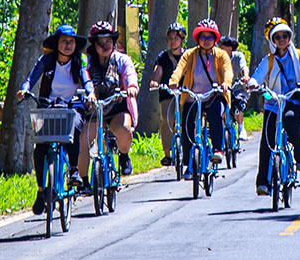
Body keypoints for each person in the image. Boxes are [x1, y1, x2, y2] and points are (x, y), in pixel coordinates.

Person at [15, 24, 95, 215]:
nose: (68, 45)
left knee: (74, 129)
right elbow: (31, 78)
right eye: (64, 41)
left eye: (72, 42)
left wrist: (90, 94)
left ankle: (74, 170)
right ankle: (42, 191)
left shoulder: (80, 61)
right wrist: (24, 90)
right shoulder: (46, 60)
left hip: (72, 107)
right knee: (40, 147)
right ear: (57, 43)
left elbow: (87, 80)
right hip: (48, 107)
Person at [245, 17, 300, 196]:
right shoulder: (269, 60)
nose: (282, 39)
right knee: (267, 141)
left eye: (285, 35)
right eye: (277, 37)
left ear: (290, 36)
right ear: (272, 41)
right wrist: (253, 84)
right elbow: (257, 76)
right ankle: (263, 183)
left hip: (296, 101)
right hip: (274, 104)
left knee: (291, 120)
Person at [168, 18, 232, 177]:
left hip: (213, 96)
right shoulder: (190, 54)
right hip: (193, 98)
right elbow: (179, 69)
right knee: (187, 126)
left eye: (209, 37)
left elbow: (227, 71)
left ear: (215, 39)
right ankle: (189, 164)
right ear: (198, 39)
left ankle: (218, 150)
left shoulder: (221, 55)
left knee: (216, 116)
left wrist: (226, 83)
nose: (206, 41)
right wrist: (174, 82)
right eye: (203, 37)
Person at [81, 21, 140, 180]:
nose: (105, 45)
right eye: (100, 42)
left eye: (108, 41)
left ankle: (123, 155)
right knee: (84, 139)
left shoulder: (122, 60)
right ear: (94, 44)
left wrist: (132, 87)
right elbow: (81, 80)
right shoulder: (86, 62)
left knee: (124, 130)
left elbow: (130, 75)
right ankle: (83, 180)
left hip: (116, 107)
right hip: (94, 110)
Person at [147, 21, 186, 166]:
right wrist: (155, 82)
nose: (172, 41)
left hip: (184, 93)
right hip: (167, 93)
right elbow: (158, 71)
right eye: (170, 38)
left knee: (189, 119)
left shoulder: (188, 55)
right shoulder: (163, 56)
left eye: (176, 38)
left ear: (182, 39)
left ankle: (190, 148)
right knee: (167, 119)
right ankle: (168, 153)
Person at [219, 35, 249, 141]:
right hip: (222, 89)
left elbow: (243, 67)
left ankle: (241, 128)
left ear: (229, 48)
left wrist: (245, 76)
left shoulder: (238, 56)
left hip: (237, 88)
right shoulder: (218, 58)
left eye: (222, 48)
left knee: (238, 105)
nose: (220, 50)